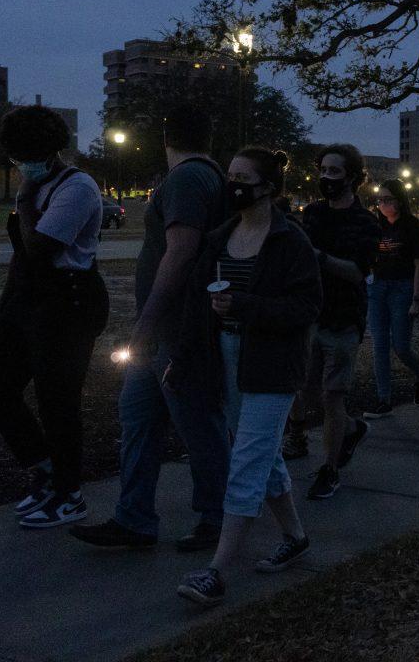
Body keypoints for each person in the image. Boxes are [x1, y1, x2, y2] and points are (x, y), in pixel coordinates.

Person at [70, 105, 230, 552]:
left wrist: (146, 322)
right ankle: (134, 518)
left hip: (177, 330)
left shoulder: (185, 179)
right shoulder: (209, 175)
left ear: (166, 138)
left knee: (199, 425)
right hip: (164, 332)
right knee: (138, 418)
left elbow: (180, 251)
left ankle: (217, 518)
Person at [172, 148, 322, 607]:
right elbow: (198, 297)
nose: (232, 184)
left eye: (242, 177)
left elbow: (306, 308)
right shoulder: (221, 236)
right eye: (229, 175)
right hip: (228, 357)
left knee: (246, 461)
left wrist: (244, 306)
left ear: (268, 188)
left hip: (272, 365)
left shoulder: (289, 242)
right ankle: (295, 536)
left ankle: (217, 571)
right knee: (260, 453)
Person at [0, 105, 109, 529]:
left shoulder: (78, 187)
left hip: (69, 303)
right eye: (16, 157)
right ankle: (47, 468)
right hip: (28, 299)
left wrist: (23, 200)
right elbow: (24, 260)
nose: (22, 165)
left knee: (58, 401)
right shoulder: (35, 183)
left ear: (51, 151)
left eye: (27, 156)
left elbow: (39, 248)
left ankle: (70, 494)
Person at [281, 144, 380, 500]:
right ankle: (350, 430)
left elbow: (356, 272)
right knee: (306, 394)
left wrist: (317, 255)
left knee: (332, 395)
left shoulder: (366, 222)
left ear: (353, 177)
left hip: (343, 319)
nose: (326, 178)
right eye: (322, 170)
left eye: (334, 172)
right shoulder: (313, 213)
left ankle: (330, 469)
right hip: (311, 315)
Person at [363, 179, 419, 419]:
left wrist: (416, 298)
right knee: (379, 344)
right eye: (379, 200)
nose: (382, 204)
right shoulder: (376, 225)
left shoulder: (412, 226)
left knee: (401, 346)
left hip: (402, 288)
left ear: (399, 200)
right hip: (378, 288)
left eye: (387, 199)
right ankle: (384, 399)